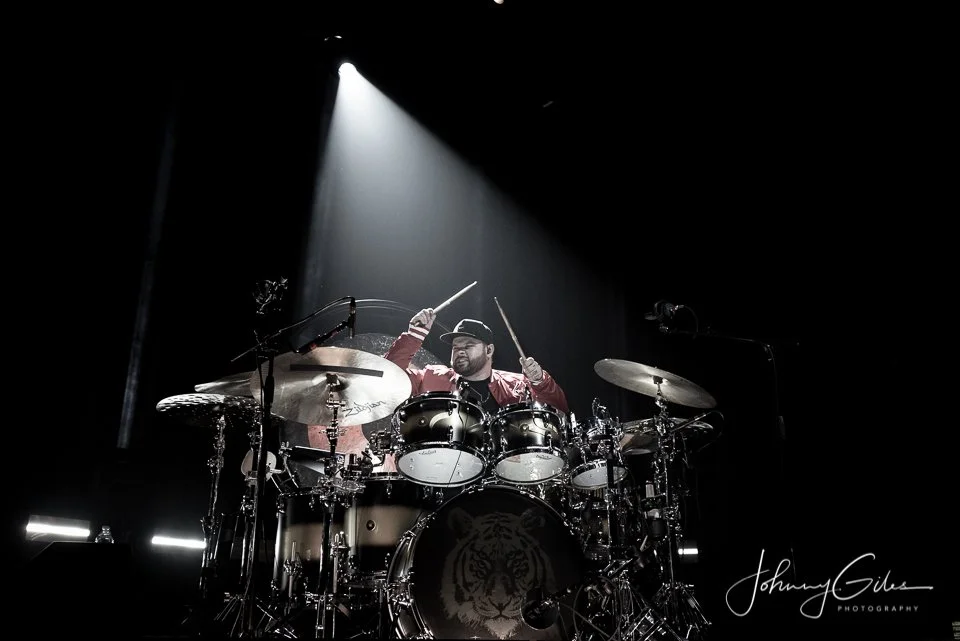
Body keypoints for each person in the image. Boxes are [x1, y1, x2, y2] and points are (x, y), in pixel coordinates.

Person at [384, 309, 569, 414]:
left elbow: (559, 412)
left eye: (468, 345)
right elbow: (386, 378)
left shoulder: (517, 385)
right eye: (456, 346)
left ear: (489, 350)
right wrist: (414, 335)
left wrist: (540, 382)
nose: (459, 350)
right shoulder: (430, 377)